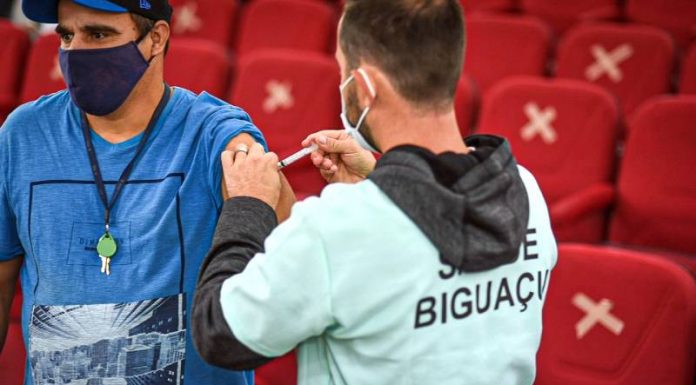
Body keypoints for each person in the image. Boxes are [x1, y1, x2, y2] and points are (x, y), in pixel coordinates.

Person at [192, 0, 557, 384]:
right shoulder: (525, 190)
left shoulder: (337, 225)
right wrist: (384, 179)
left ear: (363, 87)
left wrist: (247, 206)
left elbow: (220, 333)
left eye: (342, 69)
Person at [0, 0, 294, 384]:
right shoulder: (23, 136)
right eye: (67, 35)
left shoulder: (213, 133)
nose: (75, 52)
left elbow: (286, 240)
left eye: (99, 34)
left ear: (155, 38)